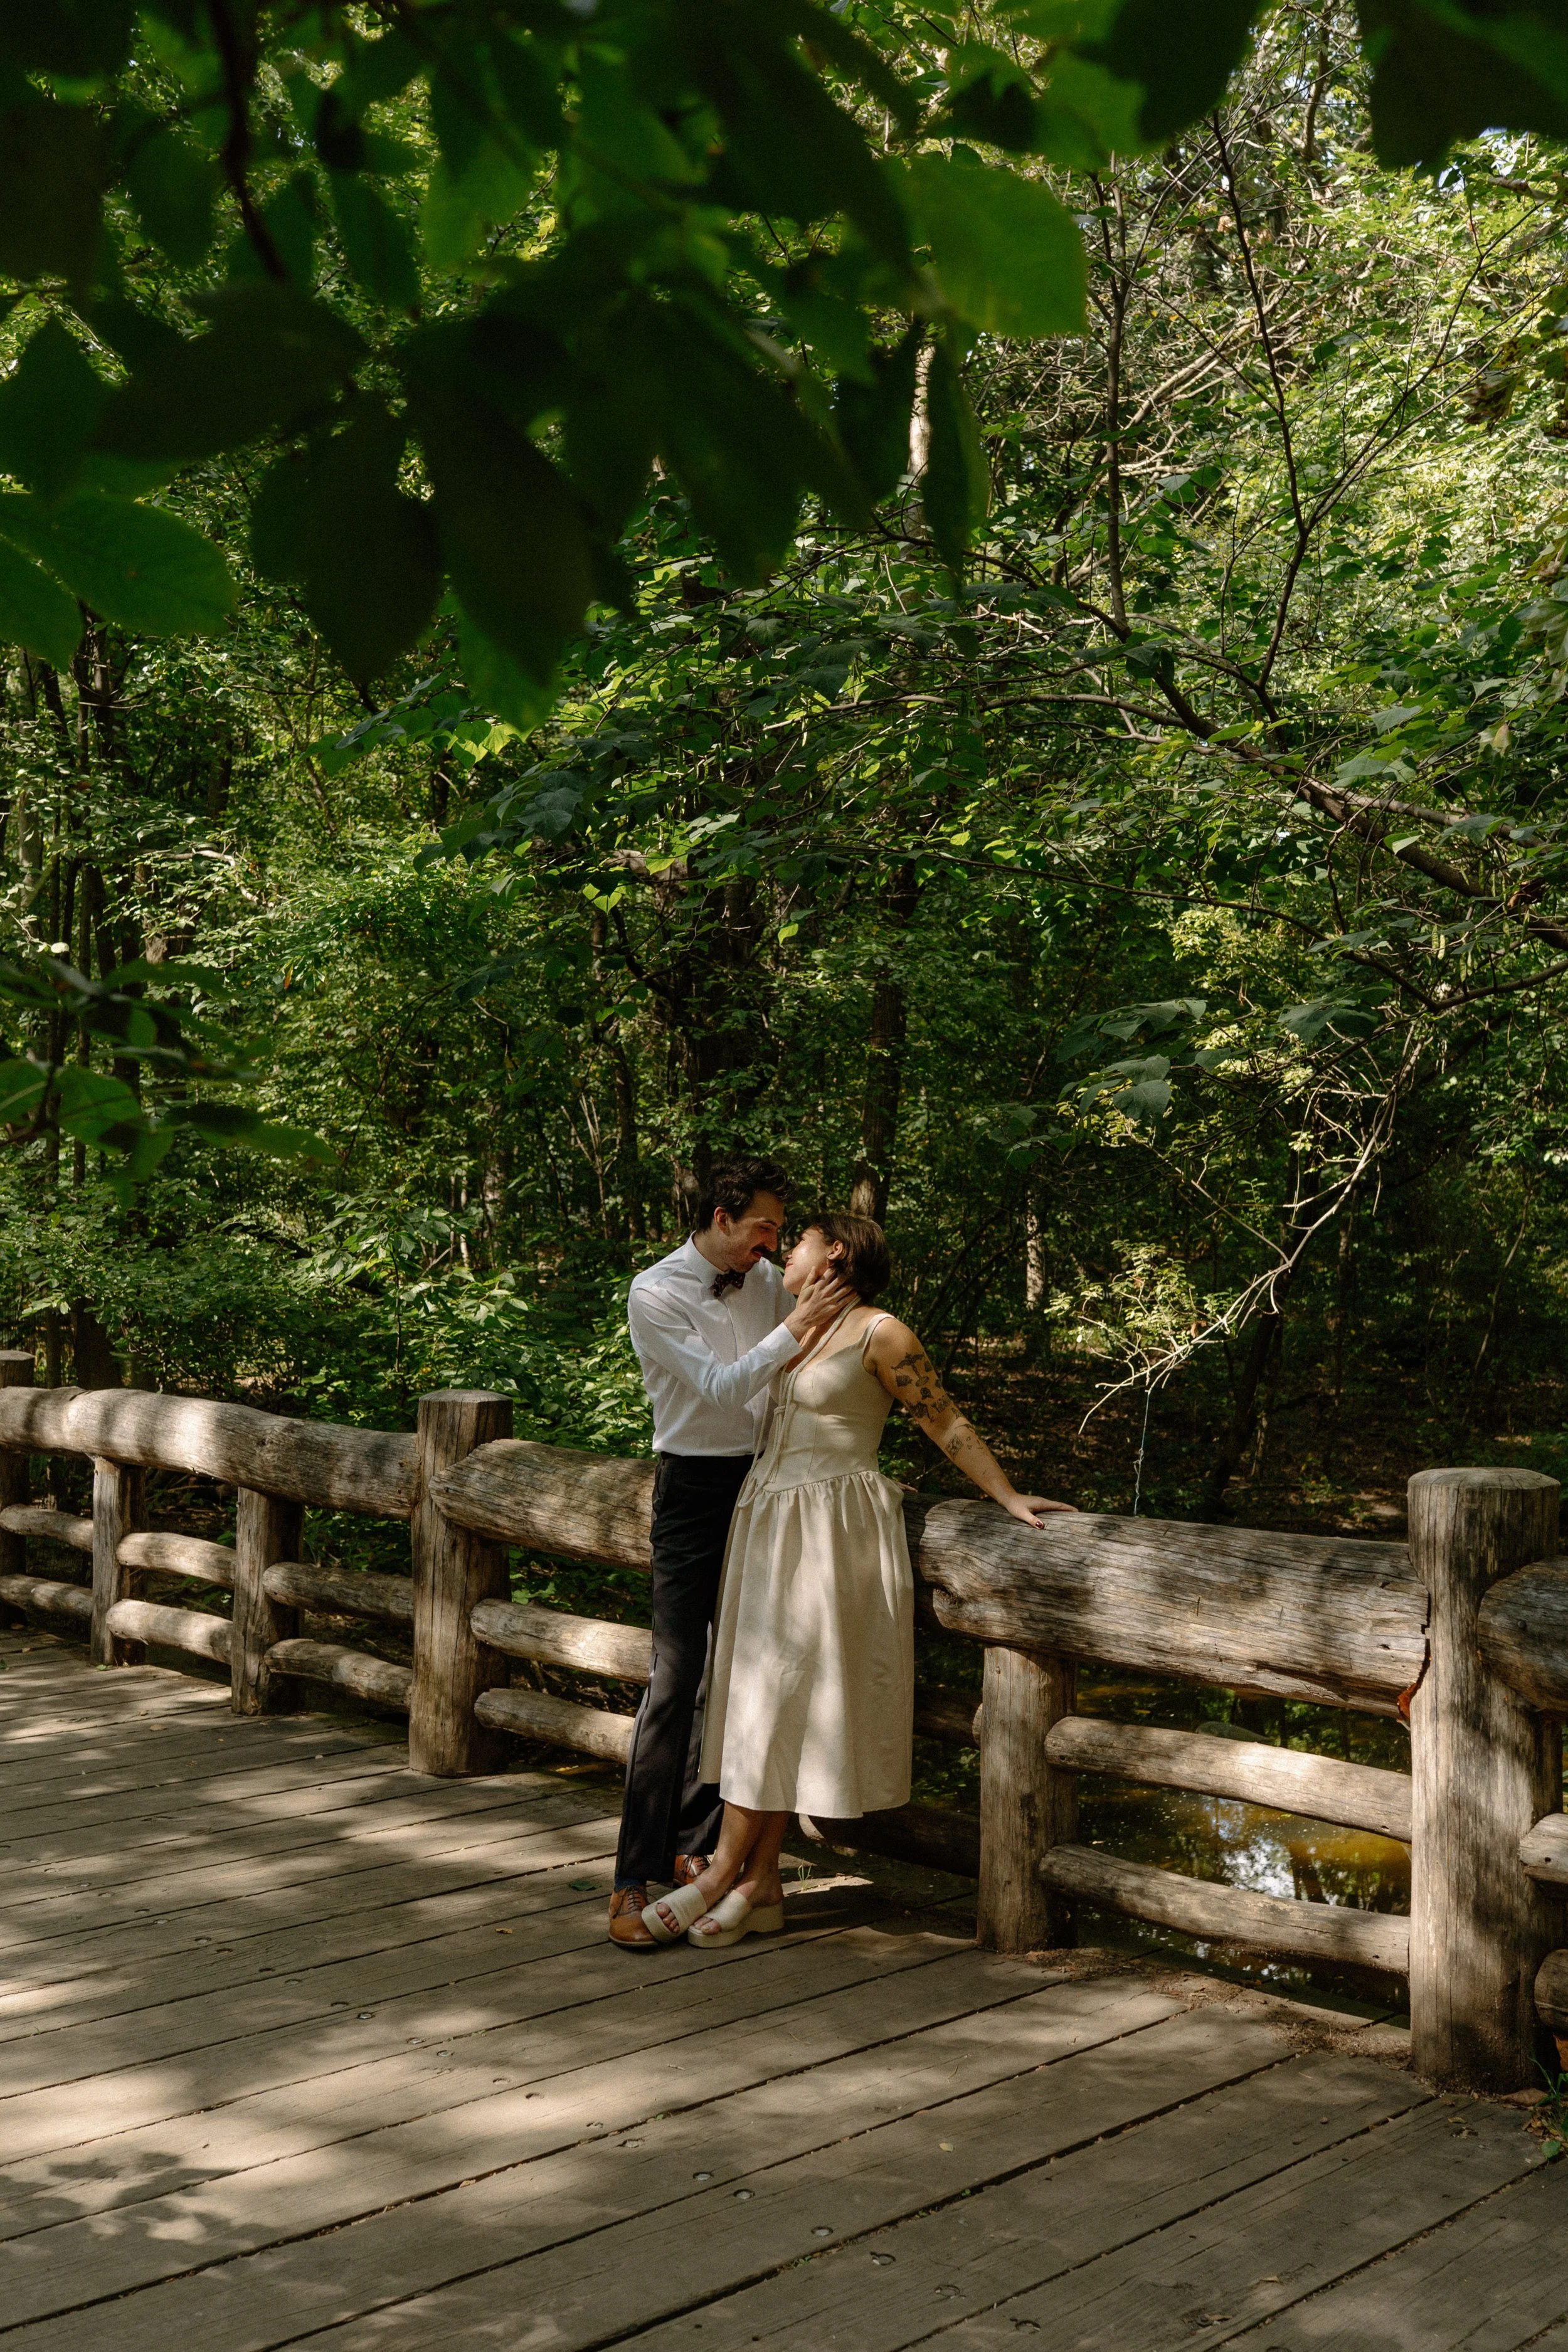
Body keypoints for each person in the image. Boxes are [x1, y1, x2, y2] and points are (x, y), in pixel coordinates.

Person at [639, 1212, 1076, 1947]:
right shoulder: (794, 1323)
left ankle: (720, 1873)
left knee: (781, 1697)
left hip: (828, 1535)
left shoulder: (883, 1333)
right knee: (761, 1699)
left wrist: (1004, 1494)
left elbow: (944, 1420)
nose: (783, 1251)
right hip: (767, 1522)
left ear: (834, 1252)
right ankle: (762, 1883)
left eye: (798, 1239)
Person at [608, 1158, 856, 1949]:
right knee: (676, 1676)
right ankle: (631, 1873)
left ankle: (702, 1852)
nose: (772, 1242)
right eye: (764, 1227)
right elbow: (719, 1387)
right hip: (692, 1490)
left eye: (780, 1231)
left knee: (745, 1674)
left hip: (770, 1486)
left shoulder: (764, 1281)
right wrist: (795, 1325)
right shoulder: (655, 1292)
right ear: (722, 1216)